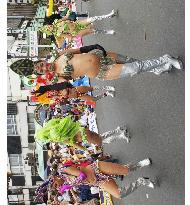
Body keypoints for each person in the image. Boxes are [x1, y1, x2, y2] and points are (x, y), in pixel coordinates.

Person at [33, 44, 183, 81]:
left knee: (133, 62)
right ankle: (165, 59)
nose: (43, 67)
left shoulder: (59, 55)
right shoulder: (58, 77)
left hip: (100, 56)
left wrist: (94, 46)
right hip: (102, 72)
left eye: (40, 64)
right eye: (41, 69)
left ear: (42, 61)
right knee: (134, 69)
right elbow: (68, 86)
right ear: (42, 73)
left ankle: (156, 68)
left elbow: (79, 50)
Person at [52, 158, 156, 200]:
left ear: (55, 178)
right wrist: (68, 187)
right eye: (57, 189)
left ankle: (140, 164)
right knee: (119, 194)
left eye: (56, 185)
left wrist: (69, 186)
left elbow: (82, 175)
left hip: (96, 169)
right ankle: (141, 181)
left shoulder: (64, 169)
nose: (58, 188)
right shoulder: (65, 181)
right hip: (99, 181)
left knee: (125, 170)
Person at [36, 116, 130, 151]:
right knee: (101, 136)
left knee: (103, 142)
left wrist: (85, 150)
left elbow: (73, 143)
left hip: (83, 138)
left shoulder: (55, 136)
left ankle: (121, 135)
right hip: (82, 130)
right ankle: (118, 130)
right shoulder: (53, 126)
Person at [39, 10, 117, 48]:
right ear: (50, 32)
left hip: (77, 24)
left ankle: (109, 15)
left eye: (48, 26)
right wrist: (70, 39)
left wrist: (68, 12)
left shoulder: (56, 22)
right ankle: (107, 32)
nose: (49, 27)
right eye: (48, 29)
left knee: (93, 18)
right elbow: (69, 37)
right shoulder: (58, 33)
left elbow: (65, 17)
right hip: (76, 32)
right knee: (93, 30)